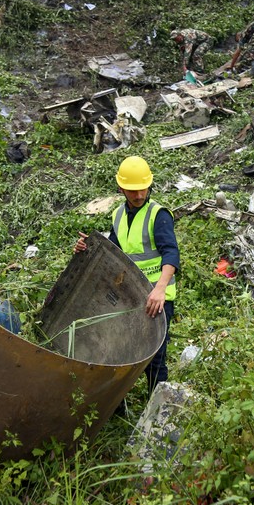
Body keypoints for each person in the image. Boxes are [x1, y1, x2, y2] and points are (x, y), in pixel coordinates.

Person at [73, 156, 179, 390]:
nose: (139, 195)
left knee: (155, 359)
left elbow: (171, 254)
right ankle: (117, 407)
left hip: (156, 298)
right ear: (121, 188)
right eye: (133, 191)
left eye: (143, 189)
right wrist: (85, 249)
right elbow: (112, 254)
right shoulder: (118, 216)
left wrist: (159, 290)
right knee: (120, 354)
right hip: (129, 297)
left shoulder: (158, 215)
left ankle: (157, 412)